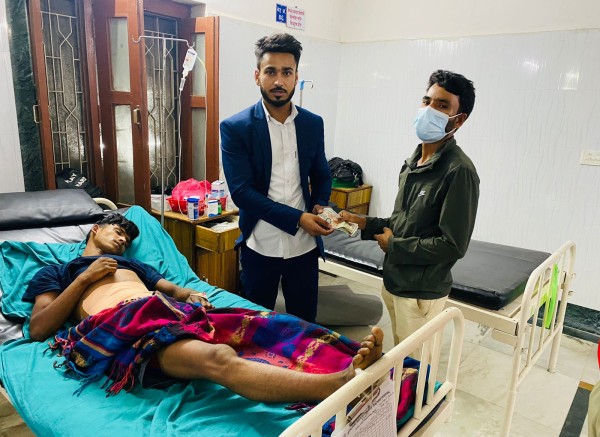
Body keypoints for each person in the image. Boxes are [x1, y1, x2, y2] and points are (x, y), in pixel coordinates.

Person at [26, 213, 383, 403]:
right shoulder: (58, 272)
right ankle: (336, 384)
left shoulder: (134, 265)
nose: (122, 240)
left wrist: (190, 295)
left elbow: (172, 289)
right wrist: (85, 279)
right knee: (218, 357)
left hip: (163, 311)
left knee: (268, 323)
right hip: (125, 327)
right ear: (94, 229)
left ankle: (345, 356)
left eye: (126, 238)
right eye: (117, 232)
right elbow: (39, 328)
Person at [341, 70, 479, 355]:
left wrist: (394, 245)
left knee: (417, 368)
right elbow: (401, 221)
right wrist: (361, 223)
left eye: (442, 105)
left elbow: (452, 245)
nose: (429, 110)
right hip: (395, 281)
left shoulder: (459, 171)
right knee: (399, 361)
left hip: (420, 293)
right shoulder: (413, 163)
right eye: (427, 101)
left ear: (459, 120)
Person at [220, 33, 333, 323]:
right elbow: (242, 192)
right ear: (257, 76)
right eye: (270, 72)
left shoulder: (312, 123)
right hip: (261, 244)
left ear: (296, 77)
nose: (279, 81)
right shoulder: (236, 128)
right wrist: (298, 219)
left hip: (304, 247)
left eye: (286, 72)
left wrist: (320, 205)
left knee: (305, 325)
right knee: (256, 327)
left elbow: (322, 174)